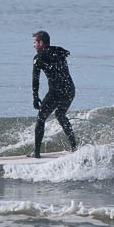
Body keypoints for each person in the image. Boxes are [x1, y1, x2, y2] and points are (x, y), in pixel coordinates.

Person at [31, 30, 77, 158]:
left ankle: (36, 153)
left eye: (35, 42)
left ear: (41, 43)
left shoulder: (38, 58)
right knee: (60, 114)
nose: (34, 45)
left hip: (56, 92)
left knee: (41, 119)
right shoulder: (59, 51)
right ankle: (74, 146)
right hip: (69, 90)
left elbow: (35, 79)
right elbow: (67, 53)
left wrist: (35, 97)